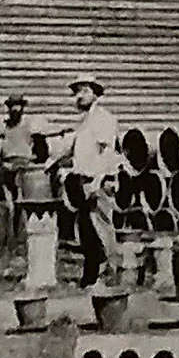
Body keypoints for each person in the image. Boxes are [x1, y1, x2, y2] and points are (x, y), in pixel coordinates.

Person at [47, 73, 122, 288]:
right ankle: (91, 277)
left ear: (95, 93)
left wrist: (98, 180)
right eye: (77, 92)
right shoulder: (85, 122)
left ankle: (109, 275)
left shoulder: (103, 119)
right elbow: (73, 149)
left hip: (98, 181)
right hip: (82, 182)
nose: (79, 96)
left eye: (84, 91)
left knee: (101, 227)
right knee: (87, 231)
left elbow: (107, 151)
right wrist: (54, 162)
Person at [0, 95, 48, 260]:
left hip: (23, 168)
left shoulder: (29, 126)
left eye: (18, 106)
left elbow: (42, 150)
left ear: (22, 108)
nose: (15, 110)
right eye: (12, 106)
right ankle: (3, 243)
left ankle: (20, 243)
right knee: (5, 205)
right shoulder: (4, 127)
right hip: (6, 168)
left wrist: (31, 159)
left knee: (21, 206)